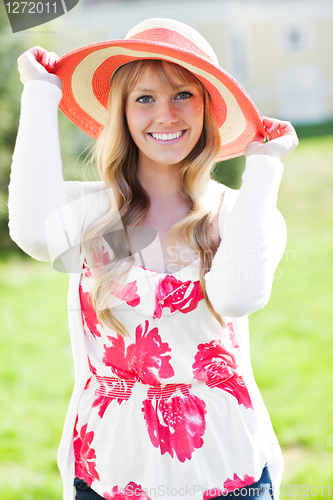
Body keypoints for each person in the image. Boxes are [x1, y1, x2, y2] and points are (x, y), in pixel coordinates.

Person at [8, 18, 298, 500]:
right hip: (107, 480)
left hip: (229, 480)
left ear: (208, 108)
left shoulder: (238, 216)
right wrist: (40, 95)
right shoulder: (95, 217)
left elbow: (237, 296)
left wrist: (265, 168)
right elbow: (34, 232)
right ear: (121, 114)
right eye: (144, 98)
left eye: (183, 94)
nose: (166, 115)